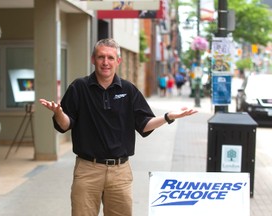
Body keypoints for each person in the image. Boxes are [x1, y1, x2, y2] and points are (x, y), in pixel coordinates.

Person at [39, 38, 197, 216]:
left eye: (110, 58)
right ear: (93, 59)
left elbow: (144, 125)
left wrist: (168, 117)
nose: (105, 62)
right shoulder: (79, 87)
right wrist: (59, 113)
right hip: (88, 169)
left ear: (118, 61)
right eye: (101, 57)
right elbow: (65, 125)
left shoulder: (128, 90)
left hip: (120, 171)